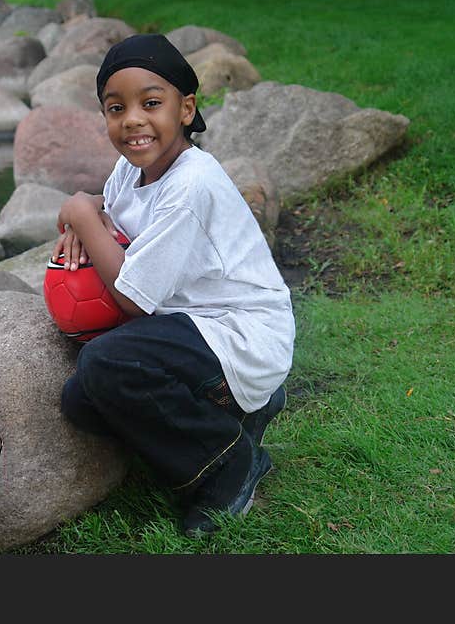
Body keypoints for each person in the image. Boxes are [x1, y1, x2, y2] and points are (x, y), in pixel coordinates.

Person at [53, 34, 295, 537]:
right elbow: (112, 207)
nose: (133, 120)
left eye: (151, 104)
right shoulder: (132, 170)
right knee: (82, 400)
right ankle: (232, 415)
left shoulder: (192, 185)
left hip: (240, 332)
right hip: (193, 326)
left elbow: (131, 299)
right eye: (115, 108)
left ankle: (228, 466)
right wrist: (85, 210)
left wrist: (80, 213)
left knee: (106, 363)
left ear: (186, 109)